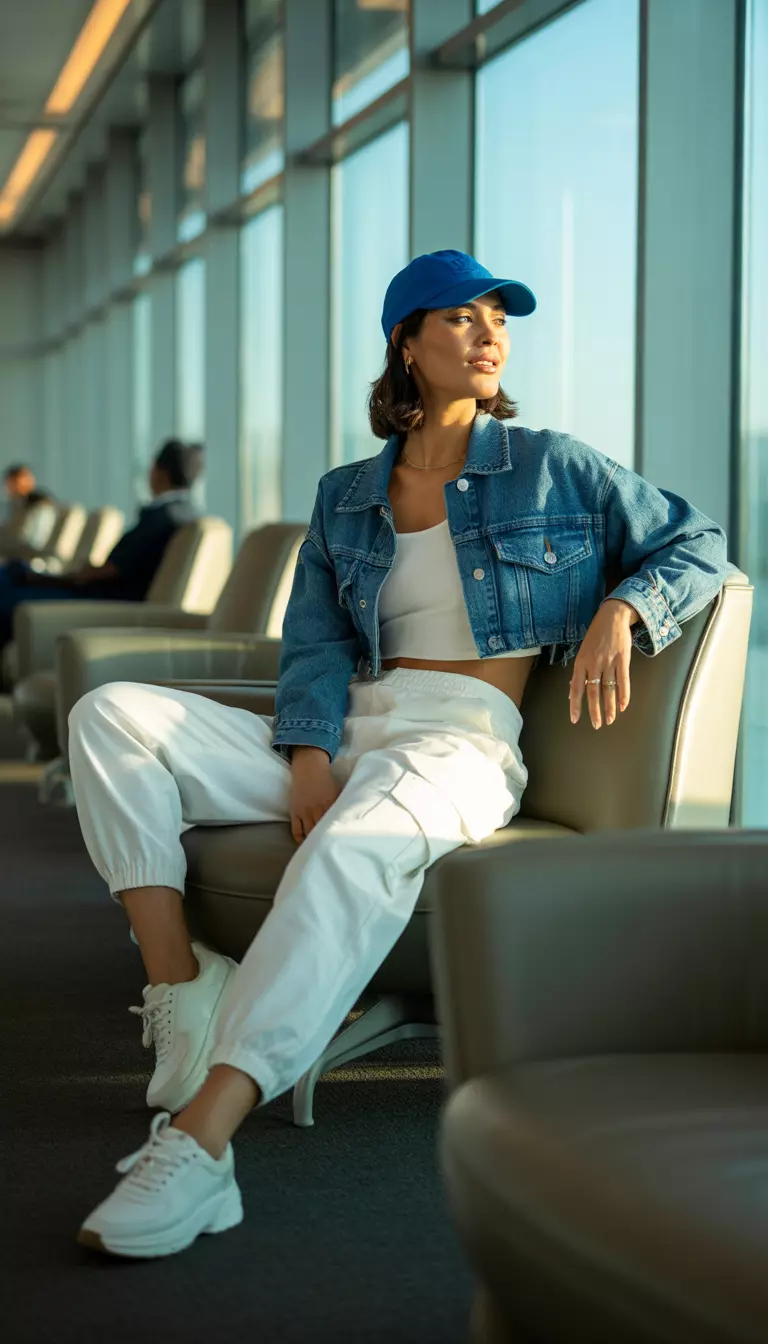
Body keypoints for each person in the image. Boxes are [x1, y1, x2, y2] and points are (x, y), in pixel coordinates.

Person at [69, 249, 728, 1259]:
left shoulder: (557, 464)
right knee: (112, 714)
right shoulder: (346, 497)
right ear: (407, 345)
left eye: (498, 319)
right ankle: (180, 984)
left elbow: (700, 545)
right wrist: (307, 753)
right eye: (461, 318)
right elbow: (316, 645)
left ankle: (200, 1147)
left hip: (459, 739)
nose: (489, 334)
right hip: (355, 722)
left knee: (348, 851)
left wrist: (625, 611)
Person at [0, 440, 203, 653]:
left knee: (7, 588)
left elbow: (109, 571)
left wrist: (68, 575)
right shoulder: (185, 514)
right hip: (107, 596)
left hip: (102, 600)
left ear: (159, 472)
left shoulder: (160, 517)